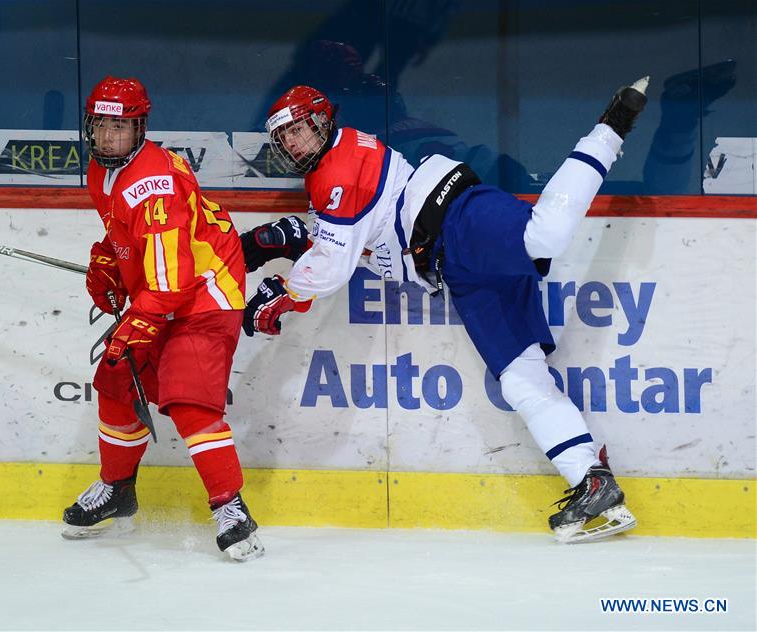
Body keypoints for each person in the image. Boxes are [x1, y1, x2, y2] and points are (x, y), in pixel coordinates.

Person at [240, 78, 650, 543]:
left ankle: (609, 129)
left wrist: (286, 291)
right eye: (284, 137)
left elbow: (332, 265)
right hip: (456, 270)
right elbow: (346, 235)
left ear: (321, 121)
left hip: (457, 217)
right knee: (521, 379)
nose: (292, 142)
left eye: (298, 129)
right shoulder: (332, 169)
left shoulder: (335, 170)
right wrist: (288, 245)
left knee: (544, 235)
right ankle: (592, 481)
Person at [63, 76, 263, 561]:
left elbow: (174, 283)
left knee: (188, 399)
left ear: (140, 128)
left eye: (121, 127)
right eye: (102, 126)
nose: (109, 137)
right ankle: (117, 488)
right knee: (115, 377)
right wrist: (108, 261)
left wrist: (138, 321)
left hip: (205, 294)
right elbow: (124, 234)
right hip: (165, 286)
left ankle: (232, 509)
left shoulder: (155, 187)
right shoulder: (100, 170)